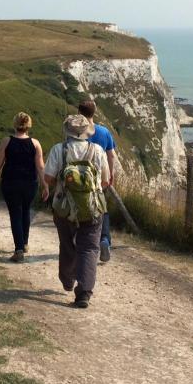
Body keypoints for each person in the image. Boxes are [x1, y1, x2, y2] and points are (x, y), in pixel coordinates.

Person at [43, 114, 110, 309]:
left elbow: (48, 177)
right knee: (89, 248)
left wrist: (64, 185)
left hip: (64, 207)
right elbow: (106, 180)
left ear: (68, 131)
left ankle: (67, 279)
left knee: (67, 244)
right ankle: (84, 294)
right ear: (86, 132)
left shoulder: (59, 149)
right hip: (93, 207)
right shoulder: (97, 150)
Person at [0, 112, 47, 262]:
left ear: (15, 124)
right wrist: (45, 185)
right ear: (28, 125)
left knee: (15, 213)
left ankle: (19, 250)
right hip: (30, 183)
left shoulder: (6, 141)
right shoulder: (35, 143)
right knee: (26, 210)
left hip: (11, 182)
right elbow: (40, 167)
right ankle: (24, 243)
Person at [78, 100, 116, 263]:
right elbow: (111, 155)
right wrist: (111, 174)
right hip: (100, 178)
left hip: (80, 178)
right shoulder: (104, 131)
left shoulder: (76, 132)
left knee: (79, 207)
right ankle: (104, 240)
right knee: (102, 209)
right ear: (94, 113)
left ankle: (80, 242)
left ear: (80, 113)